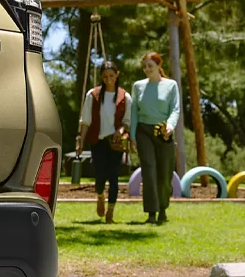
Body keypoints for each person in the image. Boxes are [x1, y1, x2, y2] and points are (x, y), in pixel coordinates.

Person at [76, 61, 132, 223]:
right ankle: (100, 195)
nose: (108, 79)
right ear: (101, 77)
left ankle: (110, 213)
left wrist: (120, 131)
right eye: (105, 76)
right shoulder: (92, 95)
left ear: (117, 75)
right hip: (98, 142)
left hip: (115, 142)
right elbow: (85, 120)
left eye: (112, 76)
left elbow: (127, 121)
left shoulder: (125, 97)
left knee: (114, 177)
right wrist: (80, 141)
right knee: (100, 176)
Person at [130, 51, 180, 225]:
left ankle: (163, 209)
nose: (146, 69)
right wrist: (133, 136)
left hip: (164, 131)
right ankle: (152, 212)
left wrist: (170, 126)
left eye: (150, 66)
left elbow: (175, 109)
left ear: (159, 66)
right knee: (149, 170)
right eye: (144, 66)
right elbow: (134, 112)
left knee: (165, 174)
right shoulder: (138, 86)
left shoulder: (171, 85)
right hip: (144, 131)